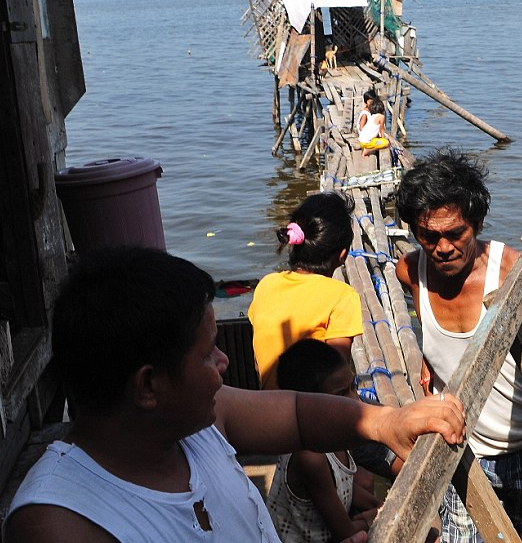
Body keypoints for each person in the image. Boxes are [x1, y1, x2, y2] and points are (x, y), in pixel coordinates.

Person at [2, 246, 464, 543]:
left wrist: (385, 423)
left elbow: (298, 413)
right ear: (148, 387)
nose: (225, 364)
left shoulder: (193, 424)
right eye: (208, 355)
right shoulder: (61, 524)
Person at [394, 148, 522, 542]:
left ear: (476, 224)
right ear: (414, 232)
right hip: (462, 447)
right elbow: (435, 337)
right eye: (429, 236)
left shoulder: (508, 268)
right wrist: (430, 365)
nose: (443, 248)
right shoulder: (410, 271)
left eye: (455, 233)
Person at [267, 339, 380, 543]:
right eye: (341, 395)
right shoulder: (310, 458)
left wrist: (380, 507)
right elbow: (346, 534)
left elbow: (344, 486)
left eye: (353, 387)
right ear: (309, 406)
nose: (355, 400)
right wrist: (371, 518)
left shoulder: (337, 433)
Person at [248, 192, 361, 390]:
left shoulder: (266, 285)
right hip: (314, 412)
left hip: (269, 405)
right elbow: (336, 384)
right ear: (342, 255)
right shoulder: (342, 296)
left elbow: (259, 363)